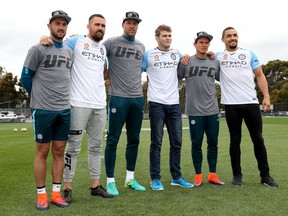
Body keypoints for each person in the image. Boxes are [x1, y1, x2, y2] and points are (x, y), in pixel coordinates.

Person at [39, 14, 113, 202]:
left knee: (96, 147)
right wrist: (43, 38)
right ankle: (67, 188)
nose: (100, 28)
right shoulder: (75, 41)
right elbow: (57, 45)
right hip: (78, 103)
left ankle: (95, 185)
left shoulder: (103, 50)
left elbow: (103, 71)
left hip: (99, 104)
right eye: (96, 24)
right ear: (88, 26)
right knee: (73, 147)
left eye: (103, 25)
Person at [20, 10, 73, 210]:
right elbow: (25, 77)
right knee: (42, 151)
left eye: (64, 24)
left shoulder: (69, 51)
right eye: (57, 23)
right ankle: (41, 195)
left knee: (59, 152)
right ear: (49, 26)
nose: (61, 27)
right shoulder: (37, 49)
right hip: (43, 110)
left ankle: (56, 194)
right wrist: (38, 97)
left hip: (64, 110)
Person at [215, 27, 279, 187]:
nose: (232, 38)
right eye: (229, 36)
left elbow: (259, 75)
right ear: (223, 39)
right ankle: (237, 176)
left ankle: (265, 176)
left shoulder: (250, 54)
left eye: (235, 35)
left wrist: (266, 96)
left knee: (258, 139)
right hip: (231, 105)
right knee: (235, 140)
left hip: (251, 103)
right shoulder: (217, 57)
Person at [141, 24, 193, 190]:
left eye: (169, 35)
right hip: (156, 103)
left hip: (174, 105)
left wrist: (184, 61)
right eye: (164, 36)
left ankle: (176, 177)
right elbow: (137, 72)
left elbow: (181, 74)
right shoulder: (148, 55)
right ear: (157, 37)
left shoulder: (176, 54)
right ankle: (155, 178)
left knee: (176, 142)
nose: (168, 38)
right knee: (156, 142)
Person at [103, 11, 146, 196]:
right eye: (129, 22)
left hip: (137, 98)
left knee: (134, 139)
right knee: (113, 139)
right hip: (118, 98)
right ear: (123, 24)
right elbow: (94, 55)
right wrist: (105, 75)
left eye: (135, 23)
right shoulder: (111, 43)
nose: (132, 26)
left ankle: (130, 179)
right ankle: (110, 181)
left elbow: (142, 67)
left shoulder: (141, 46)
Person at [178, 31, 224, 187]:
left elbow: (222, 79)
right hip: (194, 111)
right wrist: (181, 58)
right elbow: (176, 77)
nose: (204, 45)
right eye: (201, 42)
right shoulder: (186, 62)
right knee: (196, 144)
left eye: (206, 42)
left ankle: (212, 174)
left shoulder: (214, 62)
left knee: (213, 143)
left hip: (212, 110)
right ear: (195, 44)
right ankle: (198, 175)